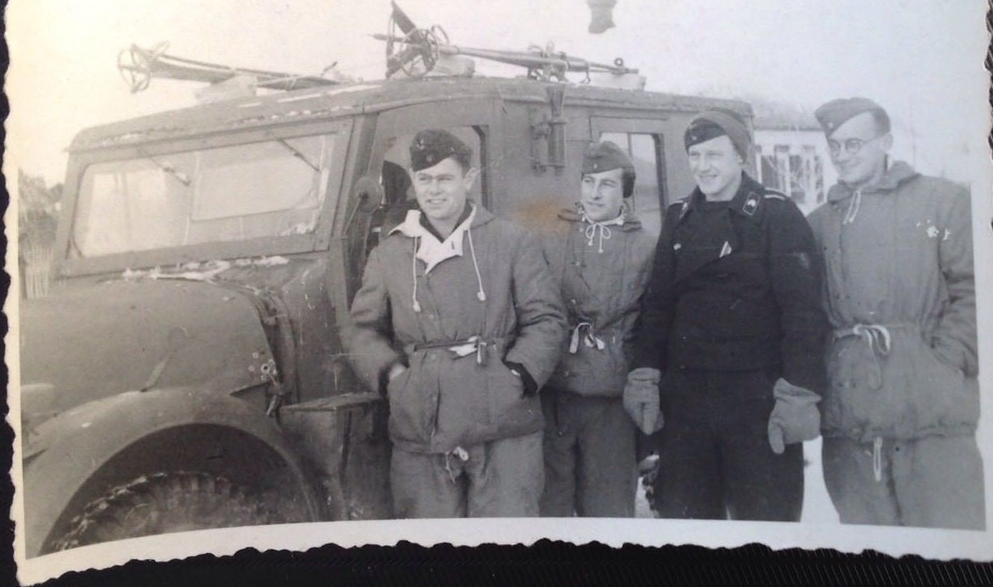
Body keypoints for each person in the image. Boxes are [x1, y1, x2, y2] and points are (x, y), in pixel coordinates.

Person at [341, 129, 565, 518]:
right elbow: (362, 330)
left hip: (504, 427)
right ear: (413, 181)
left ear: (469, 179)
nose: (434, 190)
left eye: (445, 178)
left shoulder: (511, 242)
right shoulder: (390, 252)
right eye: (424, 180)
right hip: (422, 425)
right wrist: (395, 376)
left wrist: (518, 376)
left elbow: (546, 319)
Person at [623, 109, 828, 521]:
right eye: (695, 156)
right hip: (687, 404)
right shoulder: (679, 217)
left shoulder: (777, 215)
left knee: (767, 528)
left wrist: (798, 394)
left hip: (757, 402)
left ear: (741, 157)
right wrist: (645, 374)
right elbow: (658, 307)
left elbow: (803, 315)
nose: (703, 167)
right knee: (689, 523)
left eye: (714, 155)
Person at [807, 97, 984, 529]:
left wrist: (944, 361)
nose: (843, 155)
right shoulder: (818, 223)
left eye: (855, 143)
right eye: (835, 146)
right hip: (850, 413)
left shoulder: (941, 202)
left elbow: (974, 288)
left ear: (886, 141)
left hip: (929, 411)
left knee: (948, 541)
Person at [539, 141, 657, 517]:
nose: (594, 193)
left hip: (611, 398)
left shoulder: (645, 247)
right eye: (588, 182)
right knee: (551, 513)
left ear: (625, 191)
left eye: (606, 184)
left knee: (608, 514)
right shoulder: (553, 239)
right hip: (556, 394)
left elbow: (652, 325)